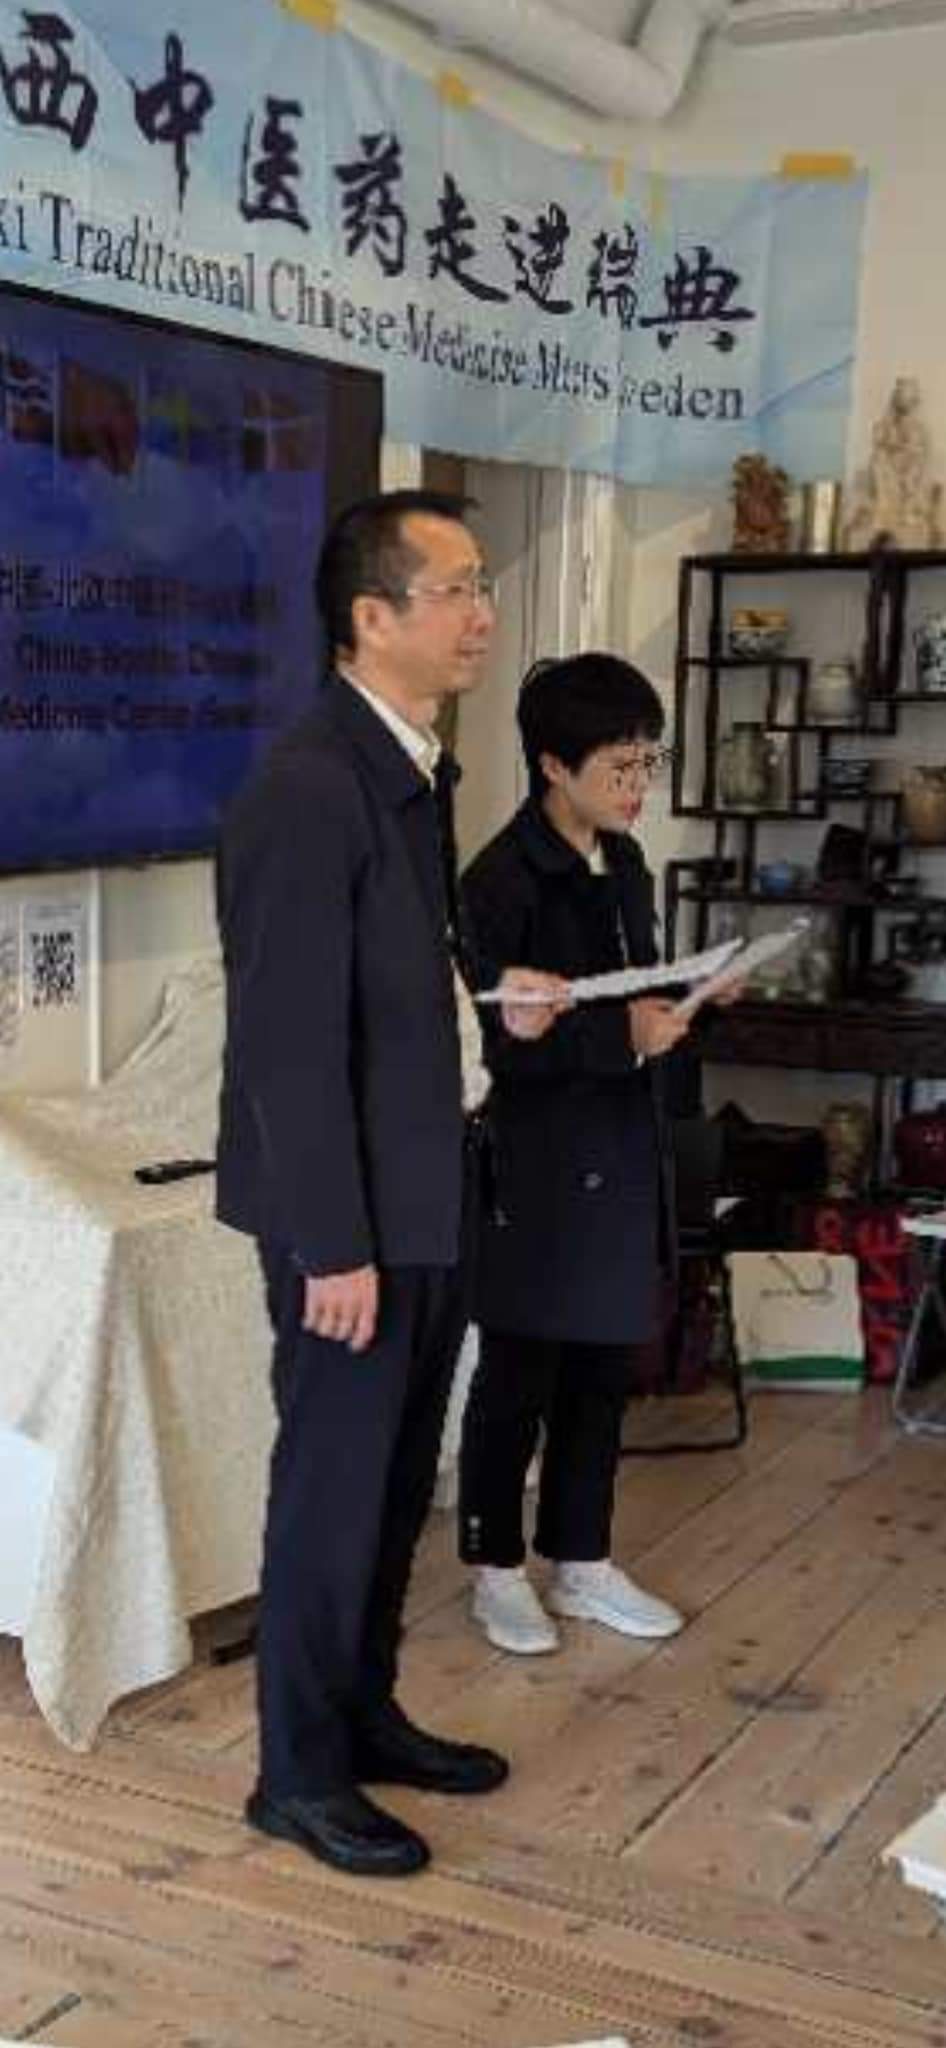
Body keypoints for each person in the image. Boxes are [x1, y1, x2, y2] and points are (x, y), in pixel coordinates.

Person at [215, 489, 566, 1878]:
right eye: (456, 588)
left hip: (426, 1187)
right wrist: (331, 1246)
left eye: (481, 585)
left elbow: (391, 988)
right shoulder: (310, 787)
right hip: (351, 1221)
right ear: (372, 617)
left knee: (391, 1481)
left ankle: (361, 1715)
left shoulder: (409, 767)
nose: (483, 613)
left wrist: (490, 1000)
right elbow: (288, 1047)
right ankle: (296, 1774)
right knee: (331, 1489)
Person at [459, 651, 690, 1657]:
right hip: (536, 1159)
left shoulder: (626, 863)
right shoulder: (498, 881)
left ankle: (582, 1559)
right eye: (620, 767)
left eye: (647, 763)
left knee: (603, 1363)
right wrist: (618, 1036)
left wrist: (680, 1002)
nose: (638, 786)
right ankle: (495, 1568)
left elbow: (628, 987)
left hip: (621, 1143)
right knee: (519, 1369)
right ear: (554, 765)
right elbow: (488, 1041)